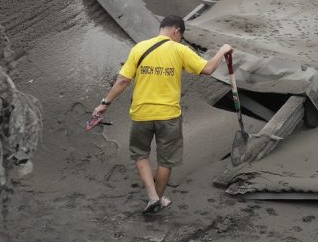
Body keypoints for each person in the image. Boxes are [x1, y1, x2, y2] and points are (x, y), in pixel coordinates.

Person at [91, 15, 230, 214]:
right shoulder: (180, 49)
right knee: (166, 161)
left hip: (141, 114)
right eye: (181, 36)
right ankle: (158, 198)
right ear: (177, 31)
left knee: (140, 155)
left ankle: (153, 196)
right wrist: (222, 51)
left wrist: (105, 103)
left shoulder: (139, 48)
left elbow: (123, 80)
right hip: (169, 116)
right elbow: (208, 68)